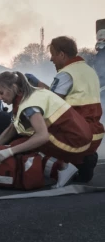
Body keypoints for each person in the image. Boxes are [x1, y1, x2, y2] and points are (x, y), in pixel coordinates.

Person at [0, 71, 93, 188]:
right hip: (78, 135)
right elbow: (11, 129)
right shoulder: (31, 94)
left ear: (13, 87)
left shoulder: (29, 105)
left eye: (0, 93)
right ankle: (80, 161)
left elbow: (42, 136)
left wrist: (10, 151)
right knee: (20, 142)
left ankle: (63, 168)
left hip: (75, 140)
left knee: (20, 145)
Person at [25, 36, 103, 182]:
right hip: (94, 134)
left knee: (32, 134)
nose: (51, 59)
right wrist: (39, 84)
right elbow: (61, 96)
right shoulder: (87, 70)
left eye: (53, 54)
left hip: (76, 135)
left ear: (62, 54)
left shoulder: (66, 74)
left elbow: (51, 105)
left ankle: (64, 166)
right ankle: (81, 160)